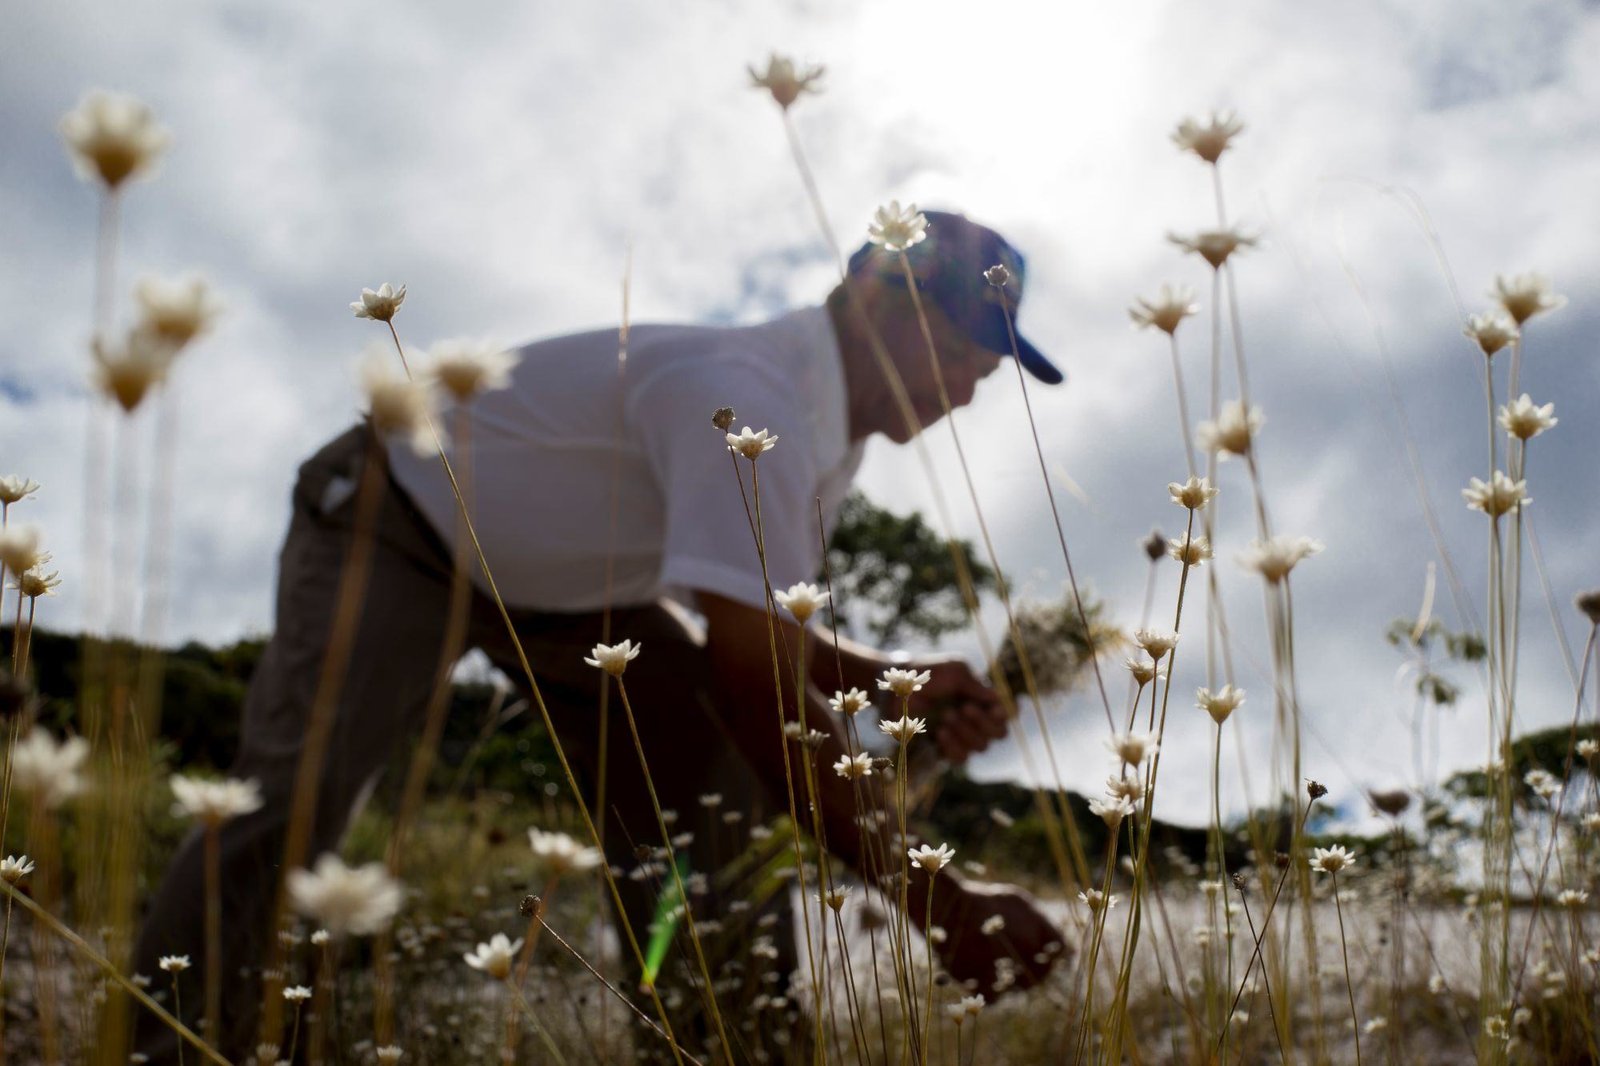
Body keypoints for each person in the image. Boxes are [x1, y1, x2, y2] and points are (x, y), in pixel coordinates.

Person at [134, 209, 1067, 1062]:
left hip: (581, 593)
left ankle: (723, 1044)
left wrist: (898, 679)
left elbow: (755, 626)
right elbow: (764, 691)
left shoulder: (830, 438)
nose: (968, 394)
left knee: (704, 778)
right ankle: (167, 1045)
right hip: (402, 524)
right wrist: (939, 903)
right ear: (877, 308)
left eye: (985, 375)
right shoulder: (751, 400)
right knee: (293, 798)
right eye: (960, 356)